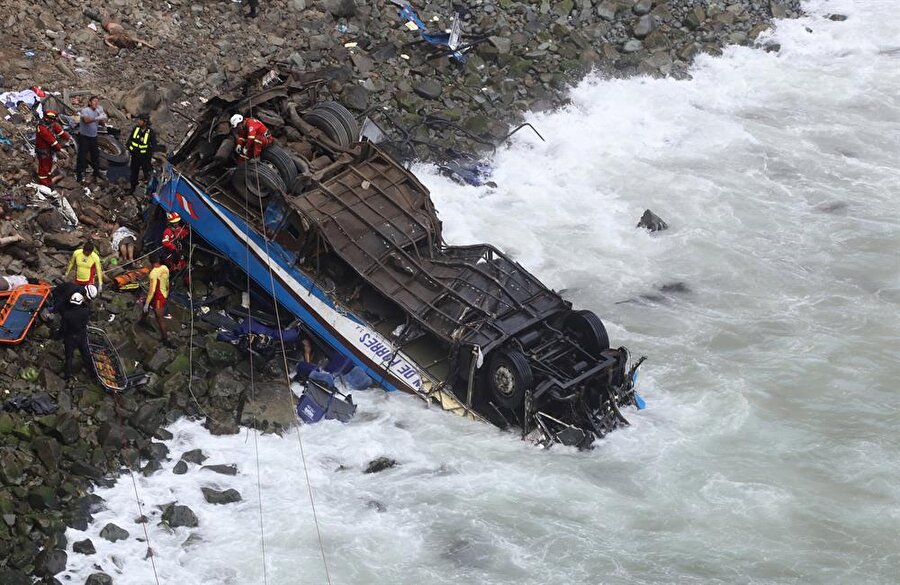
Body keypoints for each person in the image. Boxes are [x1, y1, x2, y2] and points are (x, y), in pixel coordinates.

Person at [60, 291, 94, 382]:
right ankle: (92, 373)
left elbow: (63, 328)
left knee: (69, 357)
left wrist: (59, 335)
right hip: (81, 335)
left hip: (70, 337)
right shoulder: (85, 311)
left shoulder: (67, 314)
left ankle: (67, 376)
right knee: (86, 354)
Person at [34, 110, 72, 186]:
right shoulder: (41, 127)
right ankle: (43, 183)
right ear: (45, 118)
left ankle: (49, 180)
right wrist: (60, 149)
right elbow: (51, 139)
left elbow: (60, 132)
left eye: (52, 119)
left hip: (49, 149)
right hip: (43, 150)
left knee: (49, 165)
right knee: (44, 167)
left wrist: (69, 138)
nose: (51, 121)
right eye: (50, 119)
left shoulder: (52, 123)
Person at [139, 254, 171, 344]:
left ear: (150, 262)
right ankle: (142, 320)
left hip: (158, 297)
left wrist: (147, 303)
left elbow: (152, 291)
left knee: (159, 318)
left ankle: (165, 339)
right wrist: (167, 293)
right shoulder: (165, 268)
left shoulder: (153, 273)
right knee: (146, 302)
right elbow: (167, 282)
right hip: (164, 293)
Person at [75, 95, 107, 183]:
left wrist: (102, 115)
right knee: (82, 156)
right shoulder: (85, 110)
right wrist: (97, 117)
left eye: (97, 101)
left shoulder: (98, 110)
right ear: (89, 102)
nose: (96, 103)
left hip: (93, 137)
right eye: (94, 101)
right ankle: (79, 175)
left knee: (95, 156)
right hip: (84, 137)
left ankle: (96, 172)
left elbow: (103, 123)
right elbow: (86, 120)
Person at [127, 113, 157, 194]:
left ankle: (150, 191)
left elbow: (154, 145)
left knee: (147, 173)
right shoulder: (136, 129)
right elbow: (130, 141)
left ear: (145, 122)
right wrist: (130, 149)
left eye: (140, 120)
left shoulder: (150, 132)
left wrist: (151, 154)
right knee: (133, 172)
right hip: (135, 155)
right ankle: (132, 188)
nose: (138, 121)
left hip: (145, 157)